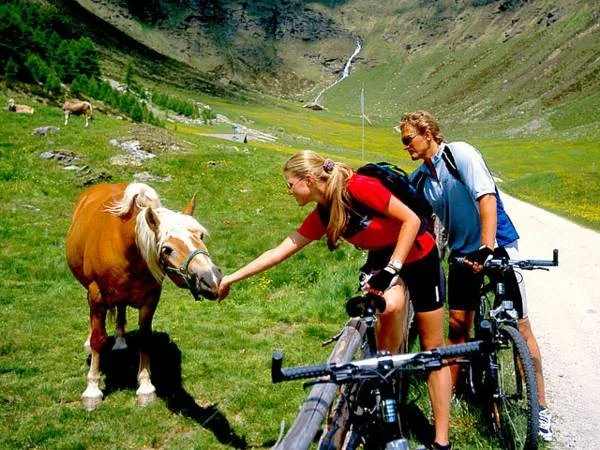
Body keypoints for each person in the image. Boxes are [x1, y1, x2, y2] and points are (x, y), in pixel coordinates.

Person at [219, 150, 453, 450]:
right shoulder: (324, 213)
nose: (288, 191)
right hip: (384, 260)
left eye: (290, 185)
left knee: (434, 350)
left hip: (420, 256)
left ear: (308, 180)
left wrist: (392, 269)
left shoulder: (359, 188)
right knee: (390, 311)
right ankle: (384, 388)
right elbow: (280, 251)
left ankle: (441, 442)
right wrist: (231, 278)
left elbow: (411, 220)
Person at [400, 111, 553, 442]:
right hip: (461, 254)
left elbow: (487, 198)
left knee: (521, 327)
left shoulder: (460, 155)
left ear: (427, 133)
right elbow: (405, 212)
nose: (405, 146)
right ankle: (451, 395)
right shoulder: (421, 179)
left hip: (497, 246)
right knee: (458, 327)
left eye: (408, 139)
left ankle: (541, 407)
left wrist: (487, 248)